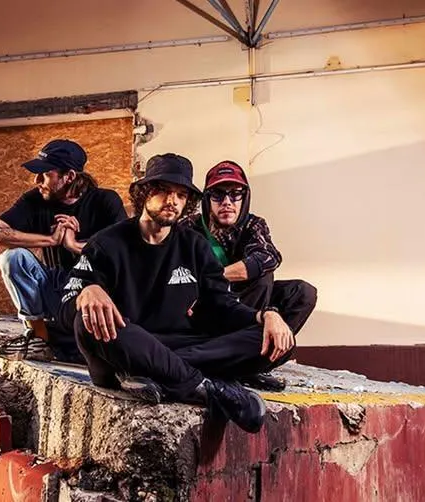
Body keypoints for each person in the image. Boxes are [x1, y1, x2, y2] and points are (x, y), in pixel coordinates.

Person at [58, 153, 296, 433]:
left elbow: (222, 305)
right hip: (128, 342)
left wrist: (266, 316)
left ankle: (154, 374)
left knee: (278, 340)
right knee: (86, 323)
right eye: (163, 190)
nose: (172, 200)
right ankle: (207, 388)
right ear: (144, 193)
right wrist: (85, 292)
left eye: (181, 195)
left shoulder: (195, 246)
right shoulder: (107, 242)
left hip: (175, 347)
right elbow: (64, 310)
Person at [0, 139, 127, 362]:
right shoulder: (35, 199)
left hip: (90, 290)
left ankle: (95, 343)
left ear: (69, 176)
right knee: (13, 258)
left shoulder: (104, 200)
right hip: (54, 287)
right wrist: (50, 239)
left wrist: (75, 245)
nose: (37, 180)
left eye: (45, 174)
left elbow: (124, 251)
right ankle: (38, 338)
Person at [180, 160, 317, 390]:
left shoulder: (253, 225)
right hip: (205, 308)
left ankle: (252, 364)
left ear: (245, 198)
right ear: (207, 200)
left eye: (235, 194)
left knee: (301, 292)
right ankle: (234, 361)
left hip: (244, 303)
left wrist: (215, 276)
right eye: (218, 195)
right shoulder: (189, 227)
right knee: (262, 278)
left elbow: (267, 257)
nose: (227, 202)